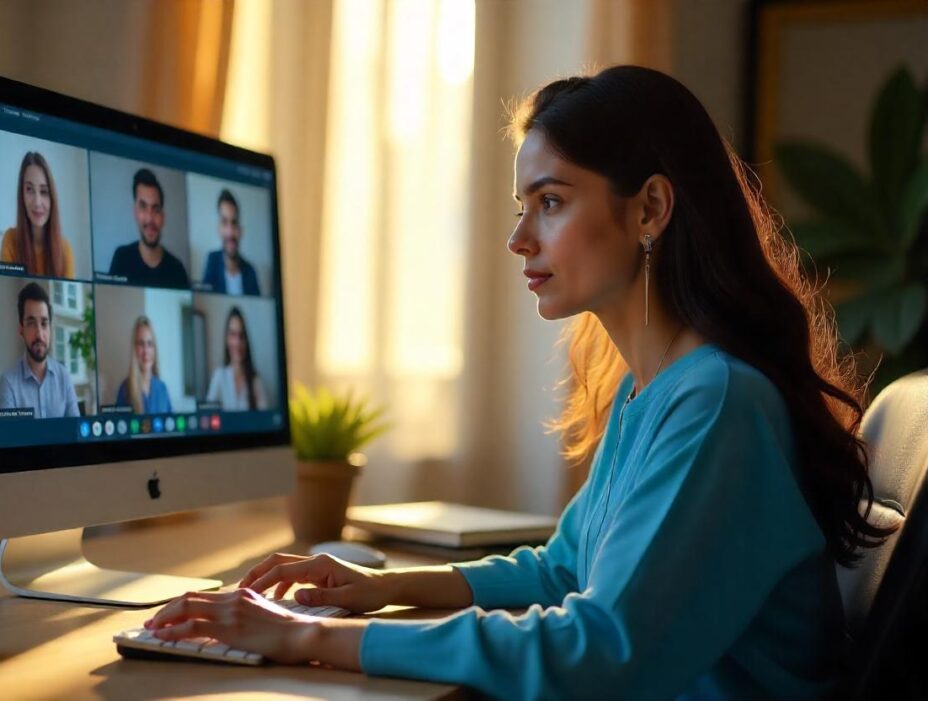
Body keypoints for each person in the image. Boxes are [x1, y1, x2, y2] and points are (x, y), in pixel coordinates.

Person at [143, 67, 897, 699]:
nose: (518, 238)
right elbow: (563, 567)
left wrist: (311, 634)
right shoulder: (658, 391)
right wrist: (374, 590)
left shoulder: (717, 401)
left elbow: (601, 646)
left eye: (551, 201)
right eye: (521, 206)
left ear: (650, 209)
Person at [0, 281, 80, 418]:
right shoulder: (8, 384)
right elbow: (9, 438)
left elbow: (76, 432)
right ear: (21, 329)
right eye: (31, 323)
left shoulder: (64, 377)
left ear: (50, 328)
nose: (39, 334)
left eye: (44, 323)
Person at [108, 168, 190, 288]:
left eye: (156, 209)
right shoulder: (121, 258)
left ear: (163, 217)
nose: (150, 219)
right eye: (143, 207)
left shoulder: (177, 269)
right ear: (135, 212)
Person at [0, 152, 75, 278]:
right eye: (29, 190)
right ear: (21, 195)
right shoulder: (10, 240)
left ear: (52, 198)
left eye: (44, 191)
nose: (37, 202)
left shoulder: (65, 250)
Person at [205, 306, 268, 410]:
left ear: (246, 341)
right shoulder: (219, 376)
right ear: (226, 339)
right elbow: (207, 417)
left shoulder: (256, 381)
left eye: (241, 336)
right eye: (233, 335)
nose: (237, 343)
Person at [200, 189, 261, 295]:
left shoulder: (251, 271)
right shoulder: (212, 261)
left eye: (234, 223)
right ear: (219, 229)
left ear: (240, 231)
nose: (230, 232)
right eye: (224, 222)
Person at [115, 316, 173, 414]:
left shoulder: (162, 389)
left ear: (154, 349)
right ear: (135, 349)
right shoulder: (125, 389)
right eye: (141, 344)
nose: (146, 351)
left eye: (150, 344)